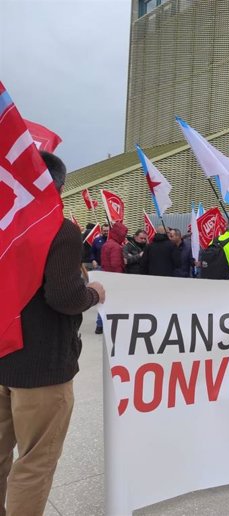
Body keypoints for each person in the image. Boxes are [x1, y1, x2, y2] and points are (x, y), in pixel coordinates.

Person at [0, 151, 105, 516]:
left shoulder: (4, 224)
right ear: (55, 187)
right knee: (35, 461)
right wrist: (93, 293)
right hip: (41, 366)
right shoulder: (58, 228)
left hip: (3, 354)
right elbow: (63, 297)